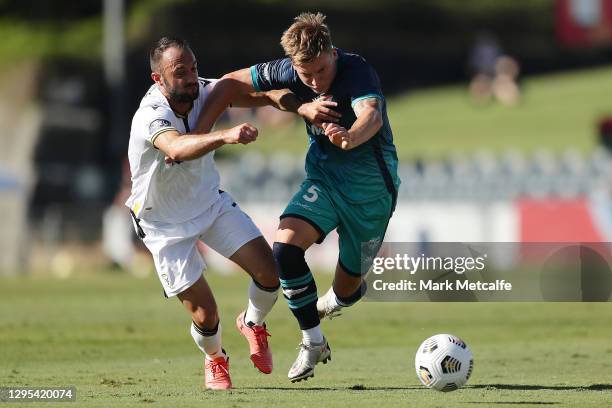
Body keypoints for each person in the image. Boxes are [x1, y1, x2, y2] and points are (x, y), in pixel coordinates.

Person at [198, 12, 400, 382]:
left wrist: (350, 137)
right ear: (293, 64)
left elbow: (369, 115)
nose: (314, 81)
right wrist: (297, 104)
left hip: (372, 192)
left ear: (332, 54)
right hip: (323, 181)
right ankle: (313, 340)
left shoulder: (357, 71)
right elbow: (228, 83)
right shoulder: (290, 72)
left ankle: (335, 301)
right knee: (285, 252)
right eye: (305, 74)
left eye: (321, 71)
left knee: (347, 289)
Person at [125, 37, 286, 390]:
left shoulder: (204, 90)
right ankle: (215, 359)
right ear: (158, 79)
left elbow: (255, 96)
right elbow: (176, 148)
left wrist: (293, 103)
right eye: (179, 72)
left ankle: (253, 322)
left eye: (193, 68)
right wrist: (225, 135)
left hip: (208, 204)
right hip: (162, 222)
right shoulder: (151, 114)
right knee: (206, 315)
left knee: (270, 272)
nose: (190, 78)